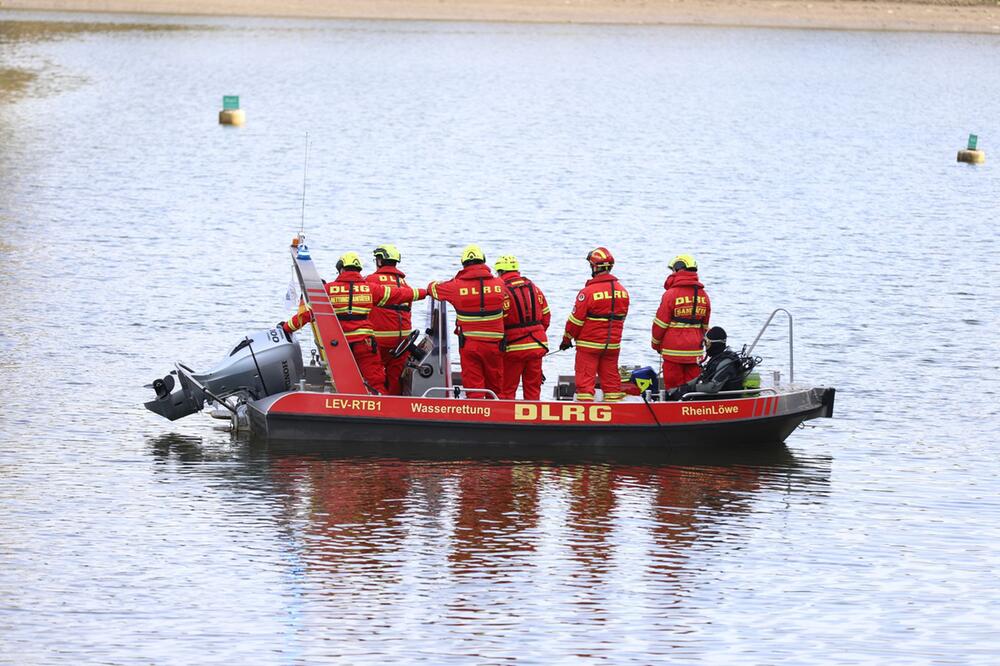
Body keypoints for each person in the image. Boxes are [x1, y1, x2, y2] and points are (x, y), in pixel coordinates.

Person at [281, 251, 426, 392]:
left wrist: (287, 328)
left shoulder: (328, 290)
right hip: (365, 344)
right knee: (375, 381)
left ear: (341, 269)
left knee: (343, 380)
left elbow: (306, 314)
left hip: (339, 345)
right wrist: (426, 292)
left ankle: (346, 405)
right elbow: (400, 294)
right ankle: (381, 408)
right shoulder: (370, 288)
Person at [427, 245, 505, 398]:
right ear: (483, 261)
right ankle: (497, 415)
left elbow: (432, 289)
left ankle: (475, 417)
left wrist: (451, 280)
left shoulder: (455, 286)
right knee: (496, 388)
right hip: (495, 345)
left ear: (464, 265)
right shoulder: (500, 284)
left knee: (474, 389)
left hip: (471, 345)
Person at [559, 247, 630, 402]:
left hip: (589, 345)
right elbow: (621, 318)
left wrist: (566, 339)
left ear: (594, 267)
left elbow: (575, 321)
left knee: (585, 385)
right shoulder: (623, 291)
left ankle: (585, 416)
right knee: (612, 385)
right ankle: (615, 415)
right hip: (612, 346)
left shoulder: (588, 292)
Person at [495, 255, 551, 400]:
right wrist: (536, 333)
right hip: (537, 345)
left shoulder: (501, 291)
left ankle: (505, 419)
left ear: (500, 272)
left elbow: (497, 323)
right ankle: (533, 418)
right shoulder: (535, 288)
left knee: (506, 390)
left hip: (513, 348)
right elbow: (546, 317)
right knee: (533, 388)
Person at [366, 244, 420, 395]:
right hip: (402, 342)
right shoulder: (405, 284)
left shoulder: (371, 280)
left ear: (380, 261)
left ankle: (377, 405)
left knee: (374, 375)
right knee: (395, 378)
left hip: (379, 340)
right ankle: (396, 405)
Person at [651, 254, 711, 390]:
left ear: (678, 269)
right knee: (693, 387)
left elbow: (660, 324)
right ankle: (691, 410)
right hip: (695, 351)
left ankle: (672, 408)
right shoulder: (703, 295)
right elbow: (705, 326)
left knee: (673, 388)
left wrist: (655, 344)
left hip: (673, 351)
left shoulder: (671, 294)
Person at [665, 327, 750, 400]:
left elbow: (712, 387)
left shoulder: (726, 363)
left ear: (714, 344)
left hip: (723, 404)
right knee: (674, 394)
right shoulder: (716, 358)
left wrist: (690, 389)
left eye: (707, 343)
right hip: (713, 399)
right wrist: (683, 387)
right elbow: (703, 376)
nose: (705, 347)